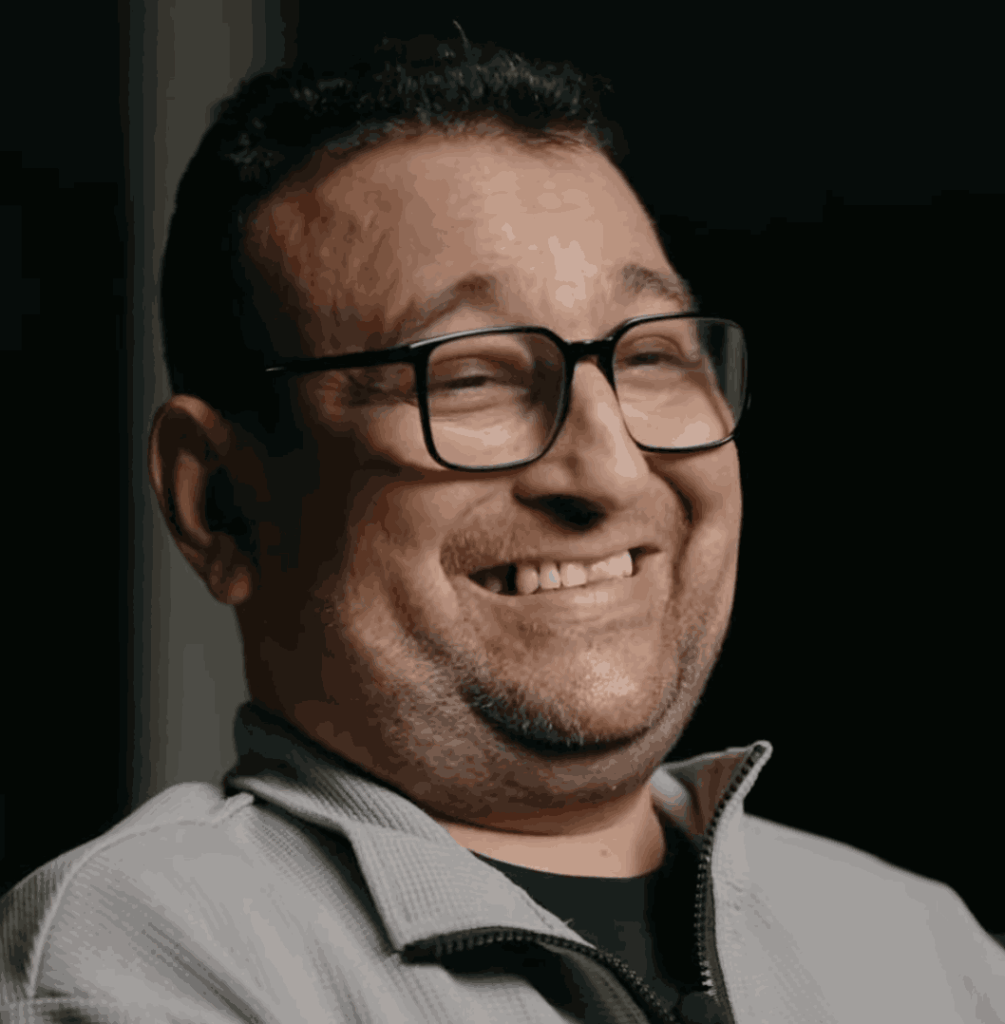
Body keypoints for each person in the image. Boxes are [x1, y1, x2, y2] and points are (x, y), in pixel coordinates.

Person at [1, 30, 1002, 1024]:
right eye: (470, 375)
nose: (608, 470)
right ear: (218, 502)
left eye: (651, 357)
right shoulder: (141, 959)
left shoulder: (923, 945)